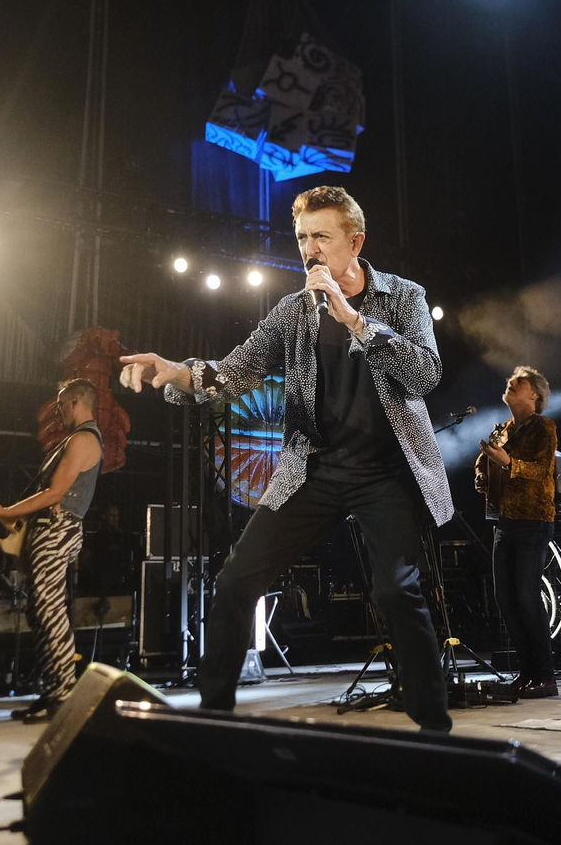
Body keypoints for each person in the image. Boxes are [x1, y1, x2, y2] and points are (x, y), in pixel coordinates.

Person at [120, 186, 453, 731]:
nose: (309, 249)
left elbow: (425, 374)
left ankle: (434, 727)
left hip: (387, 474)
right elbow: (234, 373)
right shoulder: (292, 313)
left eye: (322, 236)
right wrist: (178, 370)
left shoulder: (402, 297)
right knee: (234, 582)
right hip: (312, 469)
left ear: (355, 241)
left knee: (396, 589)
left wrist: (355, 322)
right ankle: (215, 721)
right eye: (302, 238)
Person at [0, 378, 103, 721]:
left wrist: (4, 511)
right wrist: (7, 511)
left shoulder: (82, 439)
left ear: (77, 402)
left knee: (49, 610)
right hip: (46, 529)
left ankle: (63, 695)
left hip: (59, 529)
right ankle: (52, 691)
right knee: (39, 611)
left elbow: (54, 495)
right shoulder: (73, 440)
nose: (58, 410)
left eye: (63, 404)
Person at [474, 366, 559, 698]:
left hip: (533, 520)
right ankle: (527, 673)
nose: (510, 384)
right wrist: (482, 476)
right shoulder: (502, 428)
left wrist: (508, 463)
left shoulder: (544, 428)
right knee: (505, 598)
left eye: (518, 383)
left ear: (534, 395)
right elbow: (483, 464)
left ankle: (545, 675)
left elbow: (542, 470)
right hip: (503, 521)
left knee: (526, 595)